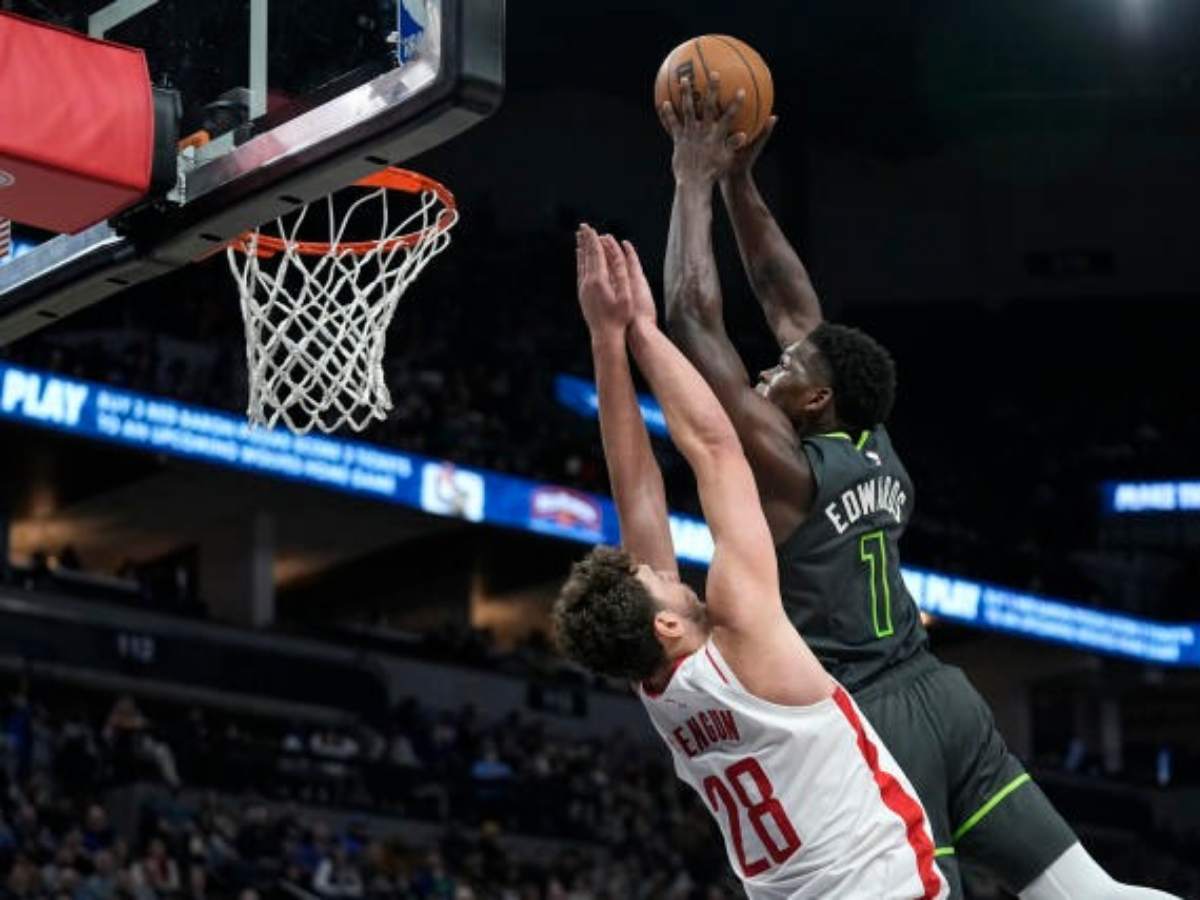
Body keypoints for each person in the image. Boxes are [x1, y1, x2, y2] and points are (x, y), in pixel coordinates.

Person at [656, 73, 1179, 900]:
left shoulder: (788, 472)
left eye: (785, 371)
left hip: (870, 720)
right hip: (945, 698)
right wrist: (742, 181)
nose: (769, 368)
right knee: (1094, 893)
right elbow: (791, 304)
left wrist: (691, 178)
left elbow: (692, 317)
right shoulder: (874, 441)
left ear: (817, 398)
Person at [554, 225, 947, 899]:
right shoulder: (743, 636)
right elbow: (716, 448)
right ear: (666, 626)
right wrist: (641, 330)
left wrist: (604, 345)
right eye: (659, 582)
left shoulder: (659, 687)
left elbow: (639, 493)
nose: (665, 570)